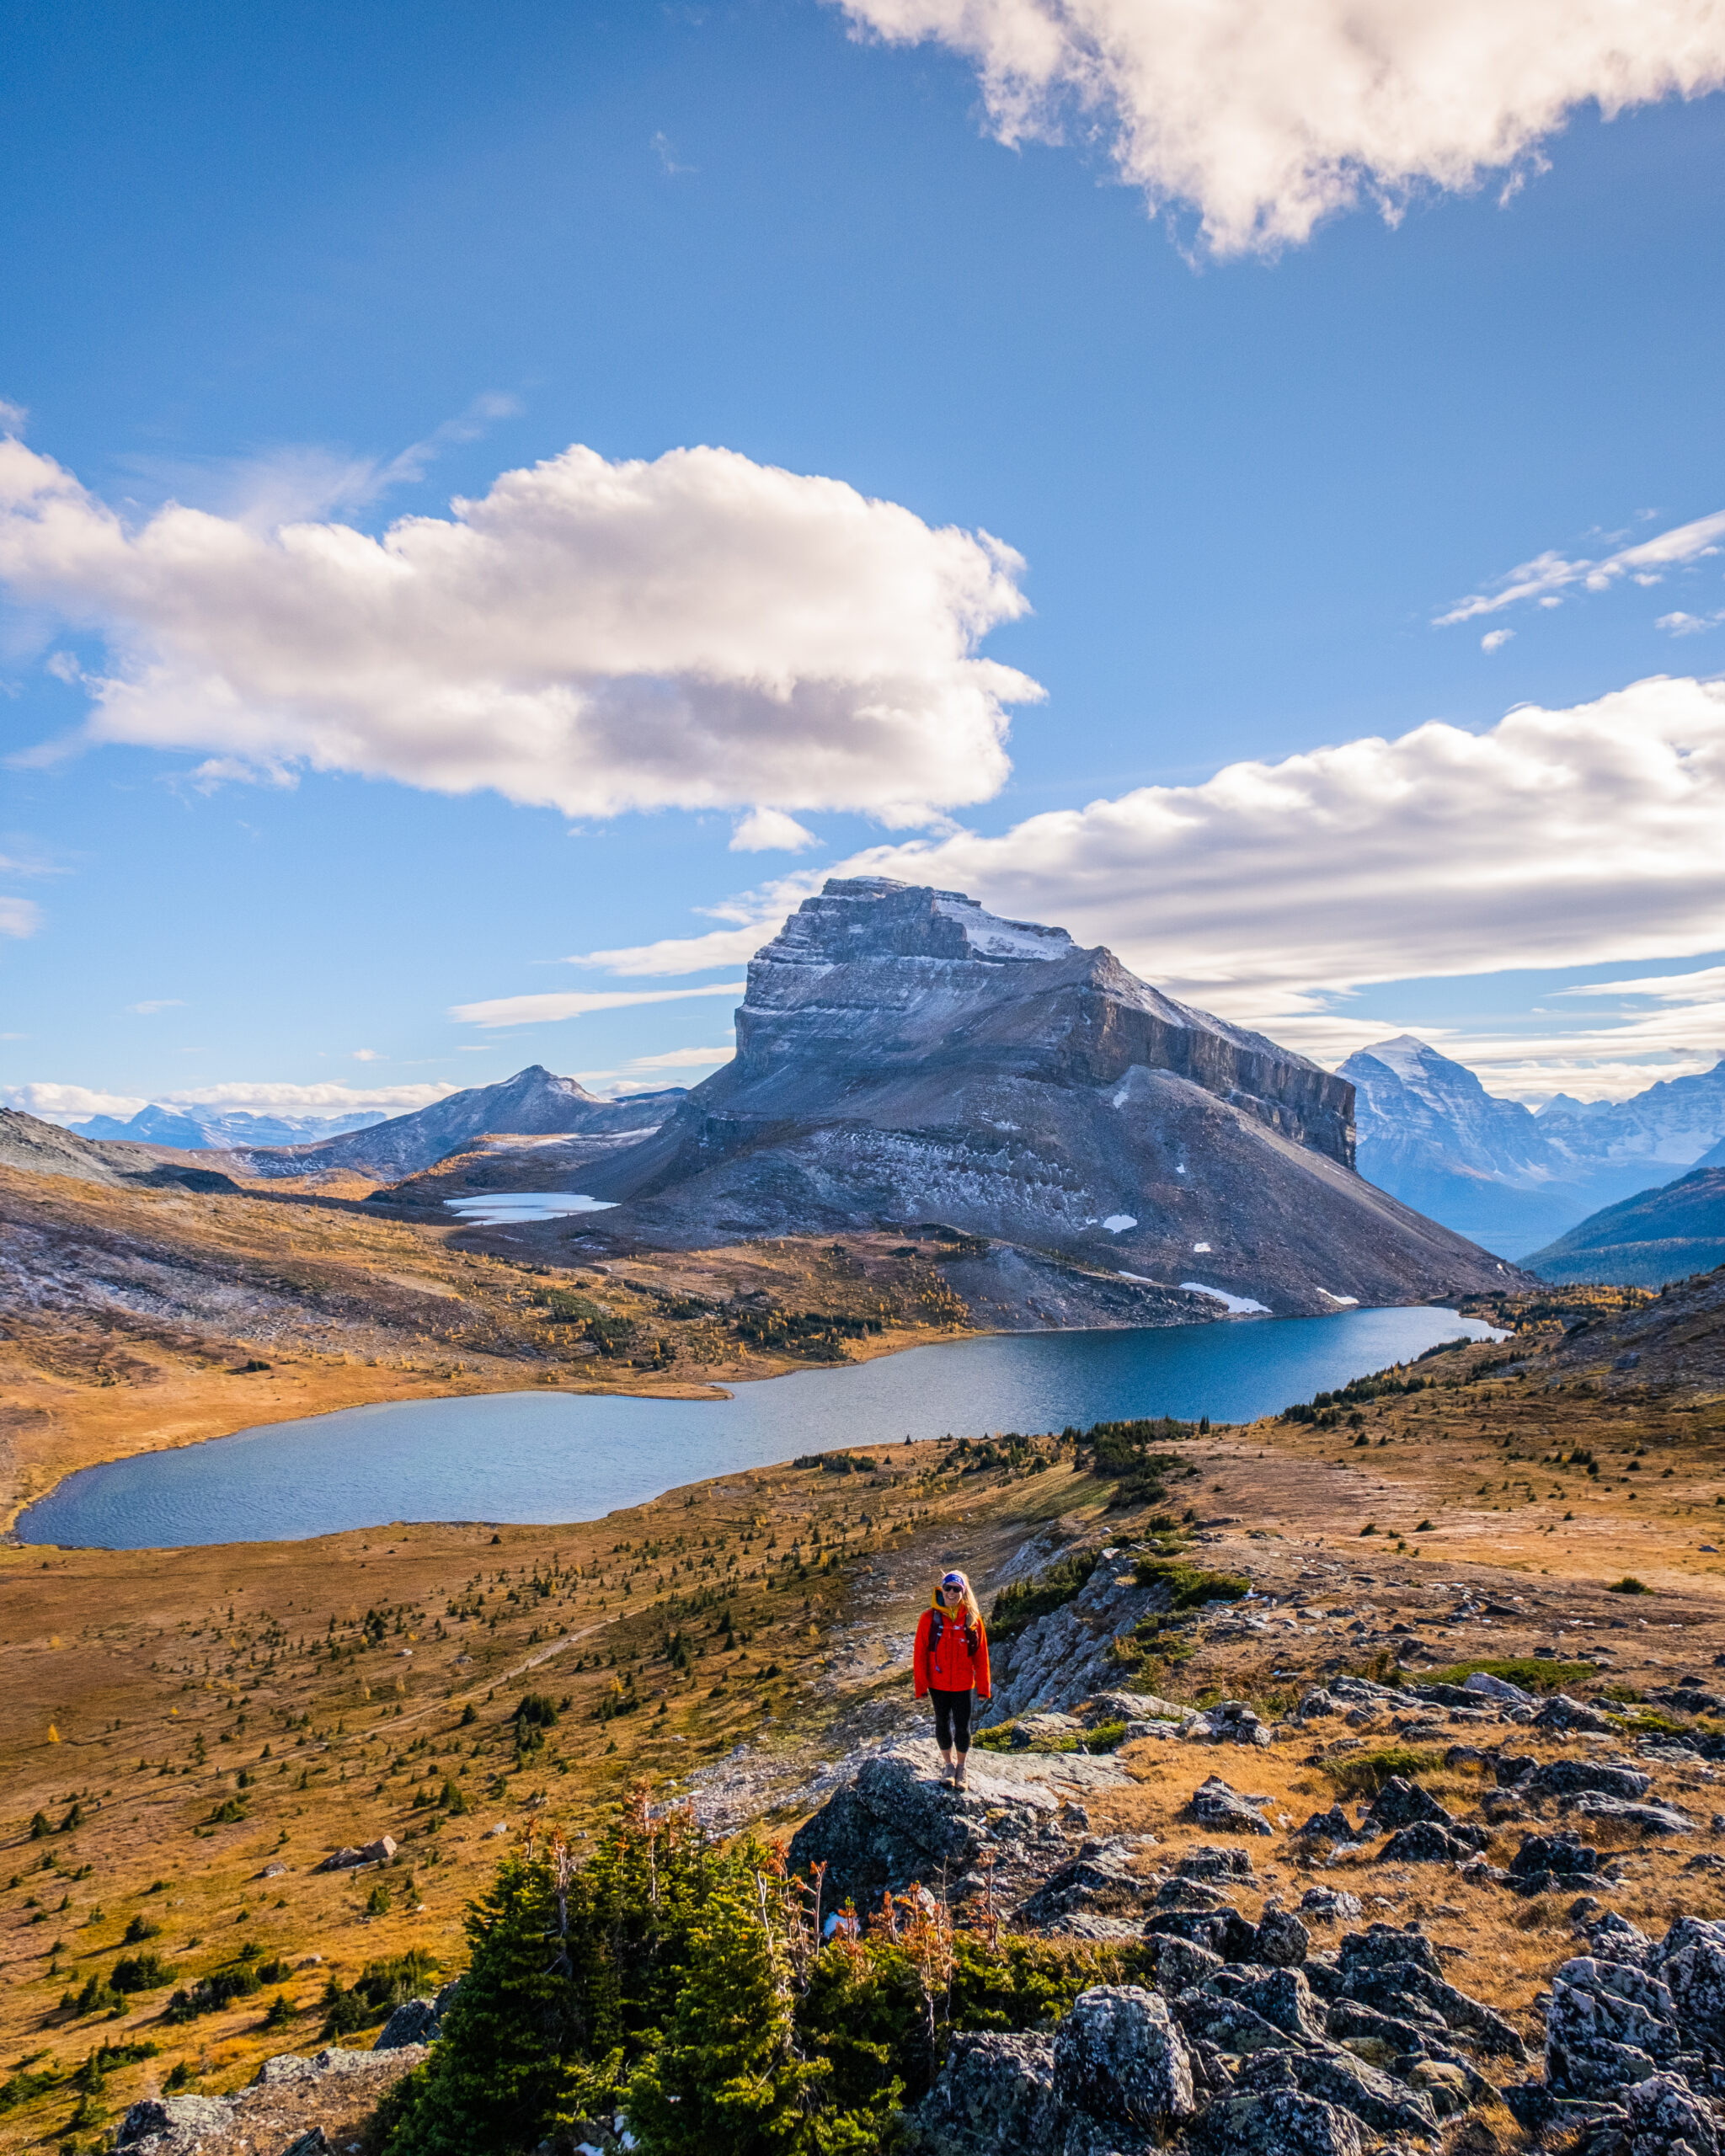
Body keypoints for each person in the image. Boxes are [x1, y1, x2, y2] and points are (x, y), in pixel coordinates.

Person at [913, 1569, 991, 1789]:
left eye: (957, 1589)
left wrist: (984, 1687)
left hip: (963, 1684)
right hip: (937, 1684)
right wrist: (920, 1687)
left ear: (963, 1592)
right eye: (947, 1587)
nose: (951, 1592)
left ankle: (961, 1768)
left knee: (963, 1726)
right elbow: (920, 1654)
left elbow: (981, 1655)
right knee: (942, 1723)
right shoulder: (929, 1618)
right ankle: (948, 1766)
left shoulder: (972, 1619)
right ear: (942, 1588)